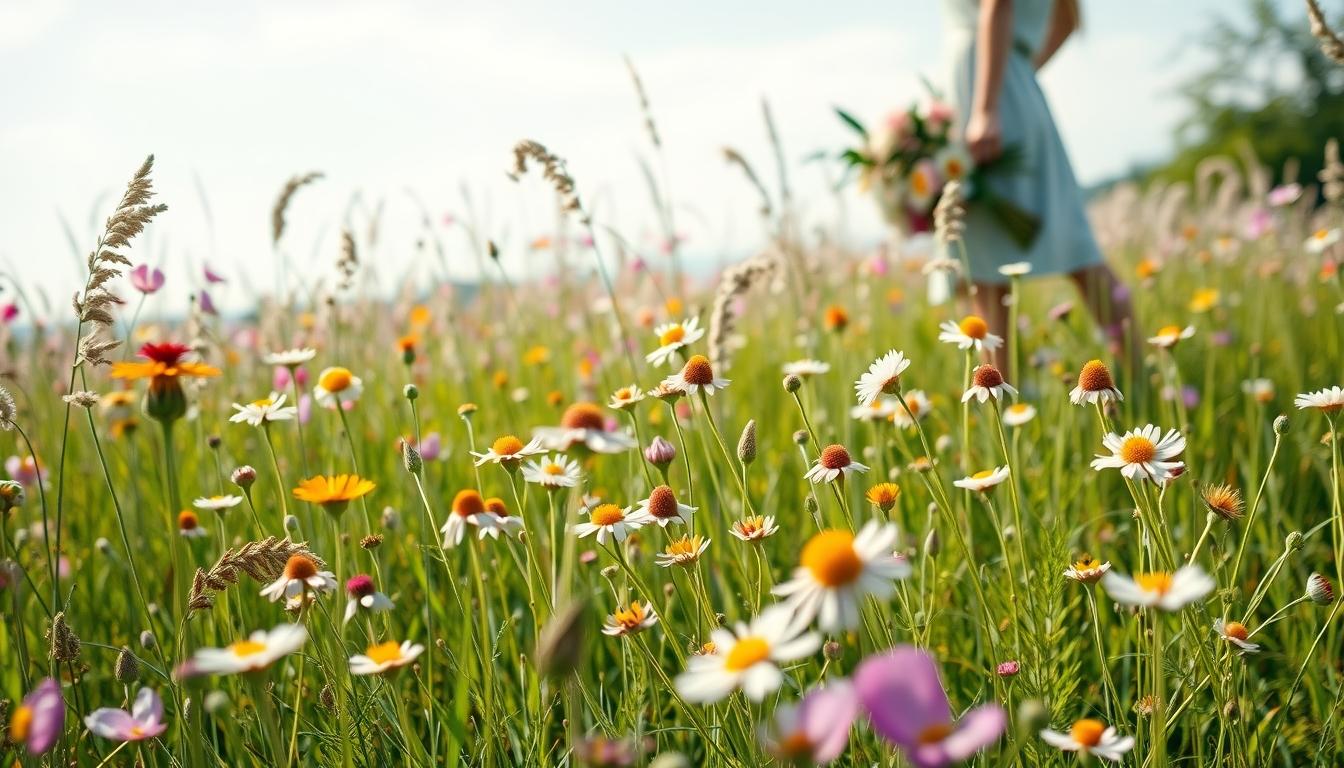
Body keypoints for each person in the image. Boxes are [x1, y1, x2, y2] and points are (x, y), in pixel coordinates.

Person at [945, 0, 1136, 366]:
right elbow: (1067, 20)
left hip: (988, 96)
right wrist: (1019, 67)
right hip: (1012, 85)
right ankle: (1141, 374)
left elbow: (996, 5)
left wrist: (985, 108)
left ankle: (997, 401)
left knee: (985, 272)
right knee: (1072, 247)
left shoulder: (987, 101)